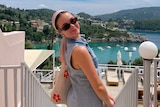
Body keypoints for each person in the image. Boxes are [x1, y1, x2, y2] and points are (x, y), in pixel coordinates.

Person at [51, 9, 115, 107]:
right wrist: (109, 103)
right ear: (60, 32)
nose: (72, 26)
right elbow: (98, 87)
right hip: (87, 102)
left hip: (77, 98)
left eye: (73, 21)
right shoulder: (79, 51)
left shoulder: (69, 45)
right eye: (66, 26)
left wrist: (106, 95)